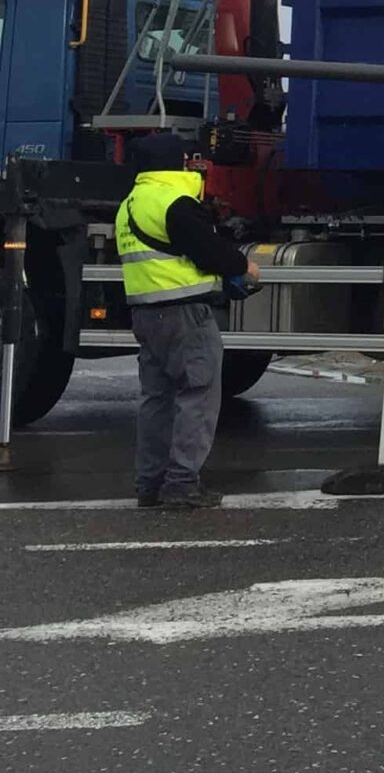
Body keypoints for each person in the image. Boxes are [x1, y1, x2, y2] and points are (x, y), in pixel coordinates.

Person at [114, 129, 252, 511]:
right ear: (176, 164)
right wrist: (243, 265)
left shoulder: (130, 203)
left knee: (156, 400)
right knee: (198, 396)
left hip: (146, 313)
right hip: (185, 313)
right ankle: (182, 483)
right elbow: (207, 250)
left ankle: (150, 484)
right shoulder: (175, 201)